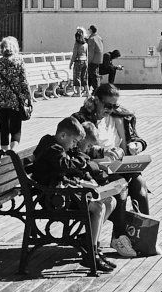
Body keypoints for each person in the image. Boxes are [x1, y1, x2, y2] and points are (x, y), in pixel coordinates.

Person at [30, 116, 124, 272]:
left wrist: (82, 181)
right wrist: (82, 162)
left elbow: (64, 173)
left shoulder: (58, 146)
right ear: (63, 136)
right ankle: (91, 253)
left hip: (63, 192)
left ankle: (90, 241)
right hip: (54, 198)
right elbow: (65, 167)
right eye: (74, 142)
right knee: (99, 207)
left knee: (111, 201)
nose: (75, 146)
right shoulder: (53, 148)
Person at [78, 83, 152, 216]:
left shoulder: (121, 117)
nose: (110, 110)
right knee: (120, 187)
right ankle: (119, 234)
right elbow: (77, 148)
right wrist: (102, 152)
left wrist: (137, 146)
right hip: (97, 172)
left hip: (119, 165)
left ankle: (145, 230)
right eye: (107, 106)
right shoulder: (82, 120)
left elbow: (137, 138)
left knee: (140, 185)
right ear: (96, 100)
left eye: (114, 106)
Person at [0, 36, 33, 150]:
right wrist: (29, 98)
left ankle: (4, 153)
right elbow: (24, 82)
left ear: (2, 48)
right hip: (15, 102)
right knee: (16, 128)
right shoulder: (19, 62)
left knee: (3, 128)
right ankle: (12, 153)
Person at [84, 25, 105, 90]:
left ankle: (96, 90)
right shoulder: (99, 37)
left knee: (93, 75)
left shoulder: (92, 39)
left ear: (91, 30)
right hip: (98, 59)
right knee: (94, 74)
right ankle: (89, 89)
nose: (88, 30)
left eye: (89, 29)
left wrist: (88, 61)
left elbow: (91, 51)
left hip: (93, 59)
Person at [71, 27, 89, 95]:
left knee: (77, 77)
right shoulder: (86, 44)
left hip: (78, 61)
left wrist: (71, 63)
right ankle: (87, 92)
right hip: (85, 61)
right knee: (84, 77)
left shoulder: (77, 44)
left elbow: (74, 55)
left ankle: (78, 93)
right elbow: (87, 54)